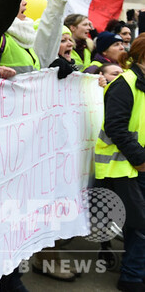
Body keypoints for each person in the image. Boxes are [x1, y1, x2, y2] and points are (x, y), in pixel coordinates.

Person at [95, 35, 145, 292]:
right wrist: (140, 159)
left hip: (135, 164)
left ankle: (136, 272)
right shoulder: (126, 84)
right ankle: (132, 277)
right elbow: (116, 126)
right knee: (140, 225)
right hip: (126, 167)